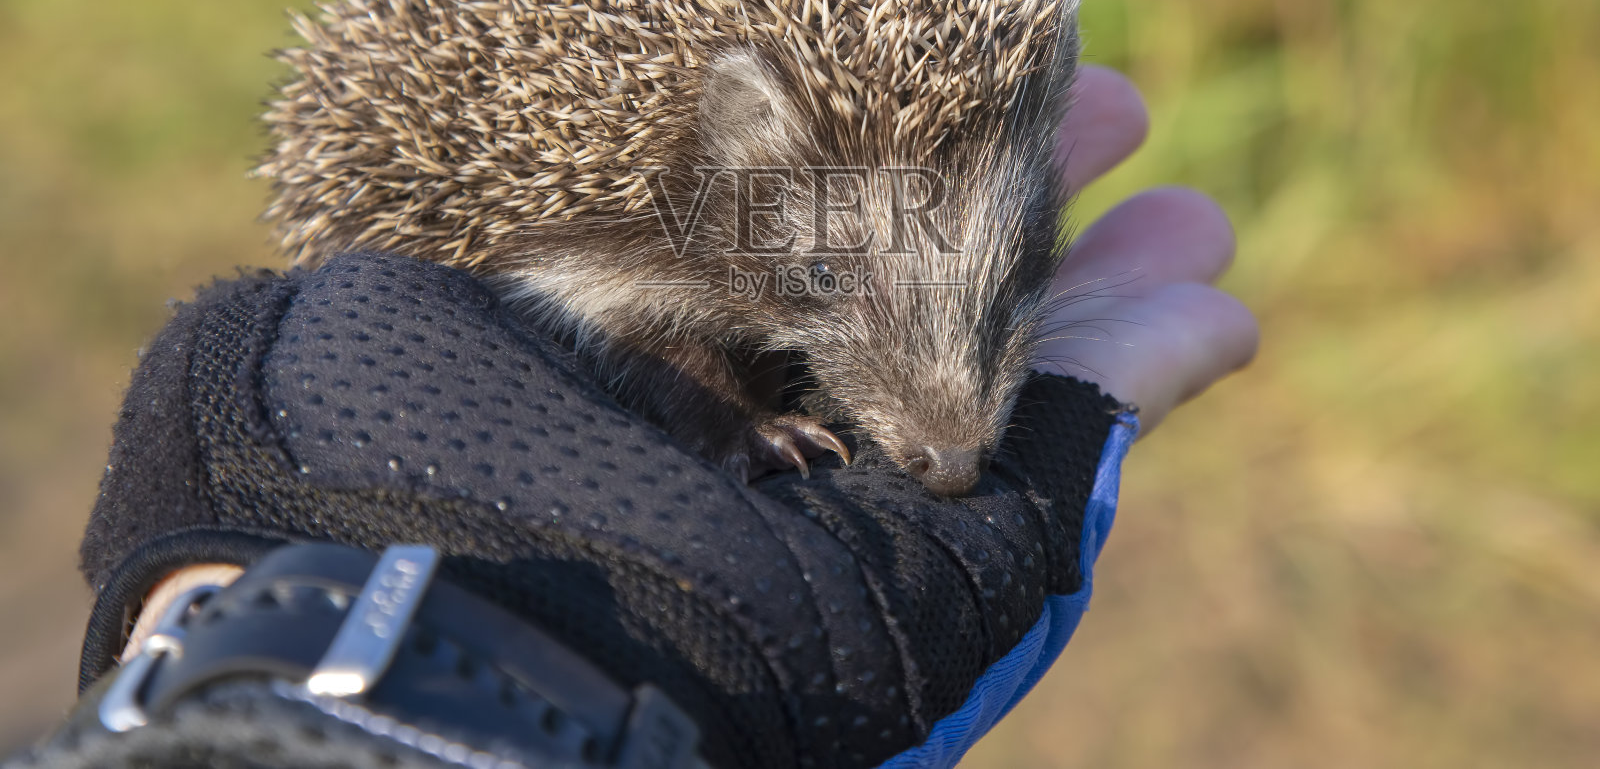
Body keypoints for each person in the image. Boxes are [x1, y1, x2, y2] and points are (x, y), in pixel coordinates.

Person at [7, 66, 1257, 769]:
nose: (952, 443)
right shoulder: (631, 221)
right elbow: (617, 317)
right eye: (830, 278)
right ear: (728, 153)